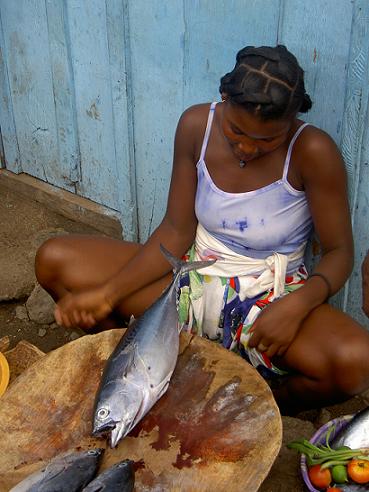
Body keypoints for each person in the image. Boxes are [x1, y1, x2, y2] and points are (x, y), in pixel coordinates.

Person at [35, 45, 369, 414]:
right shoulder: (197, 126)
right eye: (236, 131)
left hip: (270, 298)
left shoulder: (312, 150)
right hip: (191, 276)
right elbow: (176, 230)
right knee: (55, 261)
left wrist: (299, 306)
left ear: (290, 123)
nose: (246, 147)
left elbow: (339, 252)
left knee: (356, 361)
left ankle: (247, 409)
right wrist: (107, 295)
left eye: (266, 141)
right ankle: (144, 378)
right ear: (223, 99)